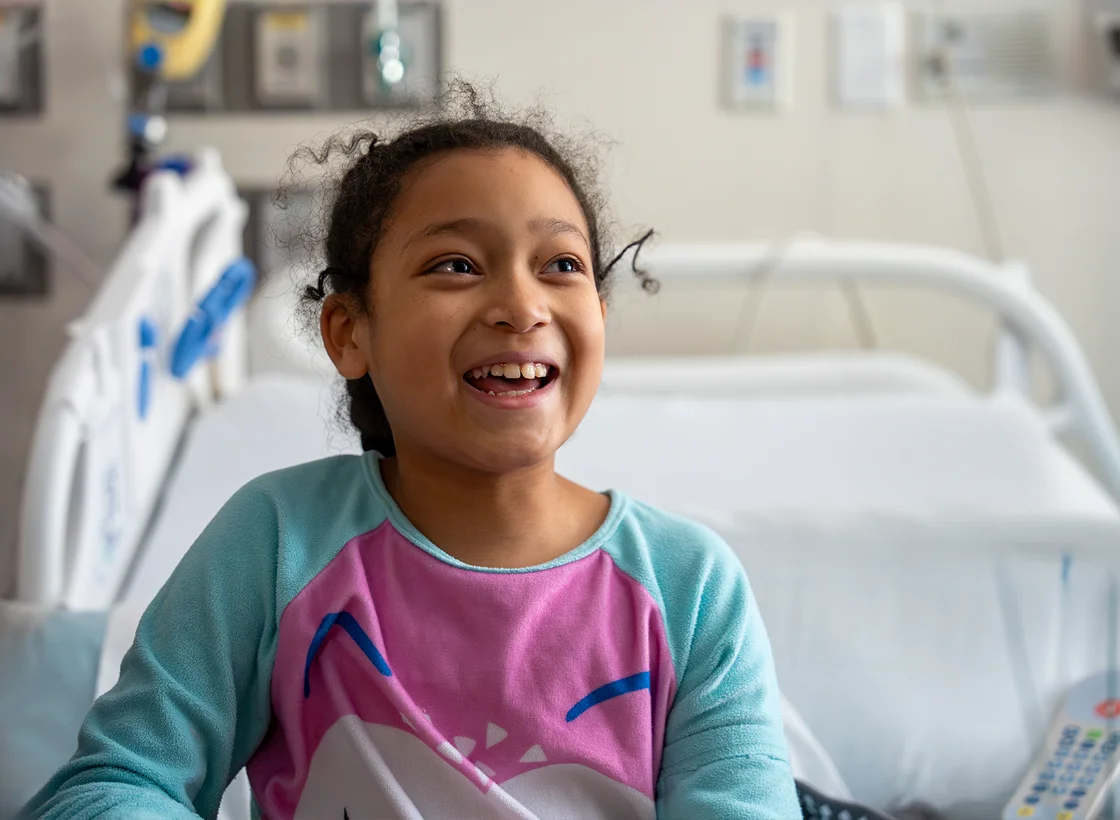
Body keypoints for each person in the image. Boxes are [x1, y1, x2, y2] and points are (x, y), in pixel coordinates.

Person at [23, 82, 799, 820]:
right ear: (349, 332)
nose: (522, 307)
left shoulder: (689, 587)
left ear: (598, 310)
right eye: (455, 265)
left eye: (560, 265)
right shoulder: (277, 543)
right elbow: (114, 782)